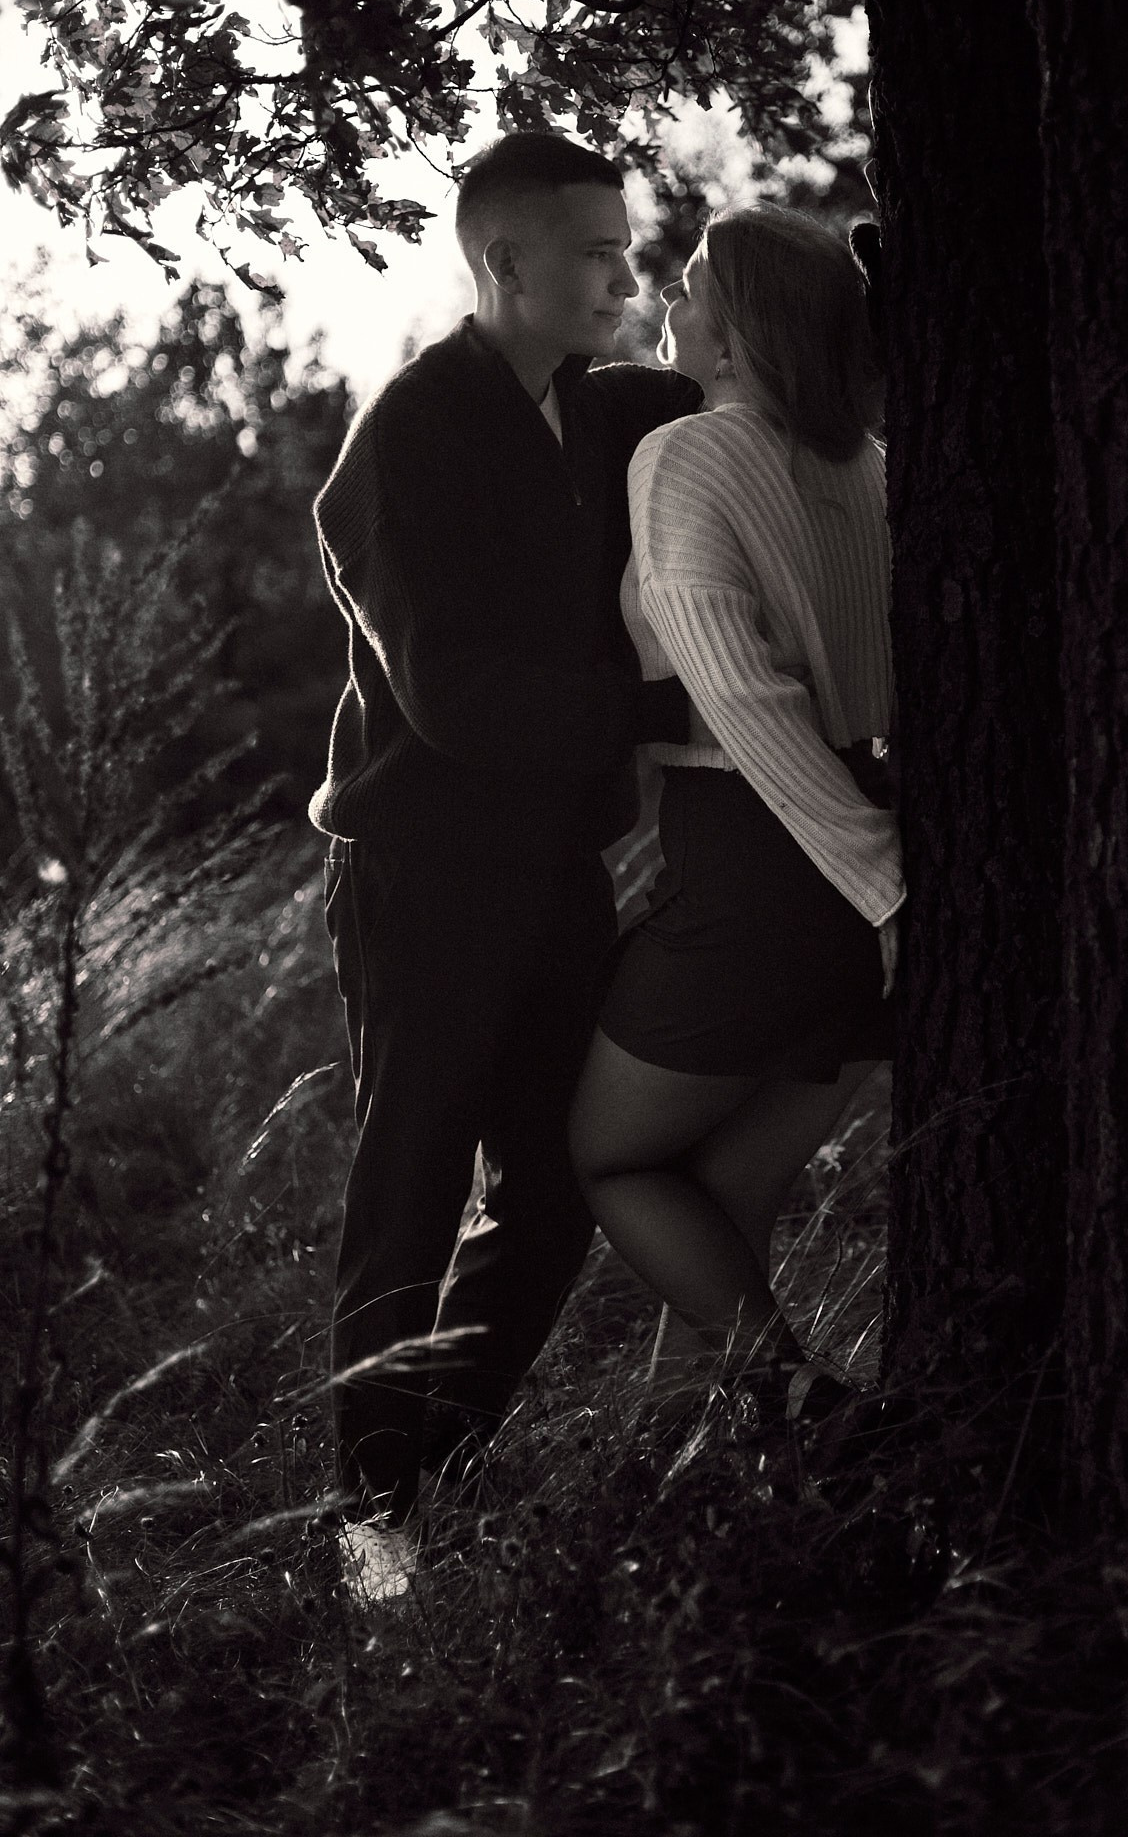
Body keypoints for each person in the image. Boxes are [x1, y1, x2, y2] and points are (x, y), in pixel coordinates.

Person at [311, 132, 700, 1603]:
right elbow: (456, 702)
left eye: (626, 248)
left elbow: (758, 379)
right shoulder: (406, 442)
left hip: (554, 873)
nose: (624, 276)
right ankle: (367, 1524)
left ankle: (437, 1465)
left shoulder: (605, 406)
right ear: (504, 263)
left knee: (557, 1181)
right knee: (410, 1185)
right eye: (596, 252)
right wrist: (657, 710)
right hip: (422, 871)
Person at [568, 204, 903, 1432]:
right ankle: (709, 1459)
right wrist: (890, 874)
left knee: (611, 1154)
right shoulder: (872, 466)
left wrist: (887, 883)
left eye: (696, 282)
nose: (669, 294)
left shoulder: (686, 454)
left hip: (776, 859)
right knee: (723, 1186)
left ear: (739, 333)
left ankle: (802, 1403)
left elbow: (743, 700)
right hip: (865, 847)